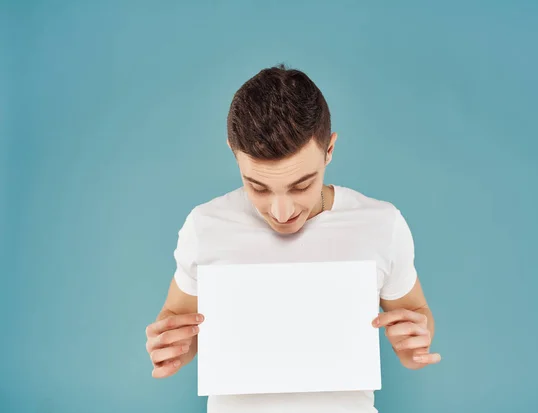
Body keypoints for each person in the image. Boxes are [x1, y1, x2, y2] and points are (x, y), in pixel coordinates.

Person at [144, 64, 441, 413]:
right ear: (233, 154)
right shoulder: (205, 226)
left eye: (301, 185)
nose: (282, 212)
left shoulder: (381, 224)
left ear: (329, 150)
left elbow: (416, 311)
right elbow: (179, 321)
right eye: (258, 187)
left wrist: (414, 343)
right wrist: (171, 347)